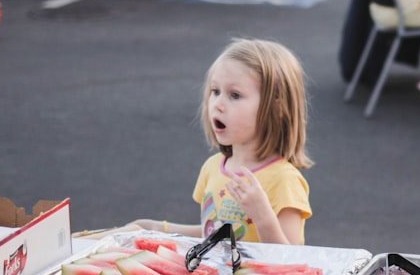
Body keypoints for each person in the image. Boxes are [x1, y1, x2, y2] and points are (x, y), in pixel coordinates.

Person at [131, 38, 312, 245]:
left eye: (234, 95)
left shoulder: (283, 180)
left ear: (276, 106)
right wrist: (155, 228)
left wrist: (262, 215)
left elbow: (293, 262)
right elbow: (215, 235)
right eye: (215, 91)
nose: (218, 104)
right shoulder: (212, 168)